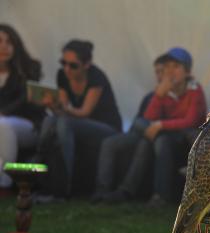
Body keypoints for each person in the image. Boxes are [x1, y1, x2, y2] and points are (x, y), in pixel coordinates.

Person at [101, 47, 207, 206]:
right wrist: (159, 95)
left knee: (150, 134)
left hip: (187, 140)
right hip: (166, 135)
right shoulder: (164, 90)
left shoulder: (194, 89)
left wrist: (160, 125)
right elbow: (149, 118)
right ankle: (127, 191)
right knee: (147, 135)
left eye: (176, 67)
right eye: (168, 67)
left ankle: (152, 194)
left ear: (187, 72)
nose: (170, 71)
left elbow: (190, 121)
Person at [36, 39, 122, 197]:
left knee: (64, 123)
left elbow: (84, 112)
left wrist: (62, 108)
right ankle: (39, 174)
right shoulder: (62, 75)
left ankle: (63, 187)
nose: (67, 69)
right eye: (64, 63)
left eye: (73, 65)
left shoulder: (96, 77)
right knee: (49, 120)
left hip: (107, 128)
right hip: (77, 123)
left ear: (86, 64)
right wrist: (52, 106)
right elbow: (63, 112)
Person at [91, 54, 167, 203]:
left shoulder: (176, 95)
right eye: (157, 72)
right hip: (140, 133)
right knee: (109, 142)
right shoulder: (150, 96)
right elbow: (138, 122)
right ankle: (102, 190)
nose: (159, 76)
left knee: (143, 140)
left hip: (158, 135)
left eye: (162, 71)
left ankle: (124, 192)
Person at [0, 24, 45, 190]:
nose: (4, 46)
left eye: (9, 42)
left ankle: (3, 184)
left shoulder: (28, 68)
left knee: (2, 125)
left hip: (28, 125)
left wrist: (3, 112)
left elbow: (25, 101)